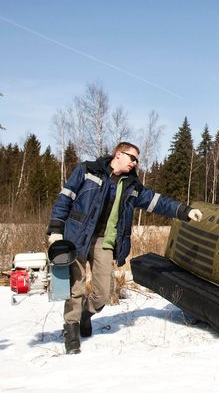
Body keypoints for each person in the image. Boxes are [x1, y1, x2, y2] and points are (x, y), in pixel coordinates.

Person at [47, 141, 203, 355]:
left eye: (137, 160)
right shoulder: (87, 170)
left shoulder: (131, 185)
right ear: (118, 154)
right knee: (77, 287)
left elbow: (157, 202)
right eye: (132, 158)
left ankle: (86, 313)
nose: (135, 163)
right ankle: (71, 329)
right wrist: (55, 230)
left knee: (103, 293)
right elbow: (65, 198)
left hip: (105, 240)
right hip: (77, 236)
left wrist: (184, 211)